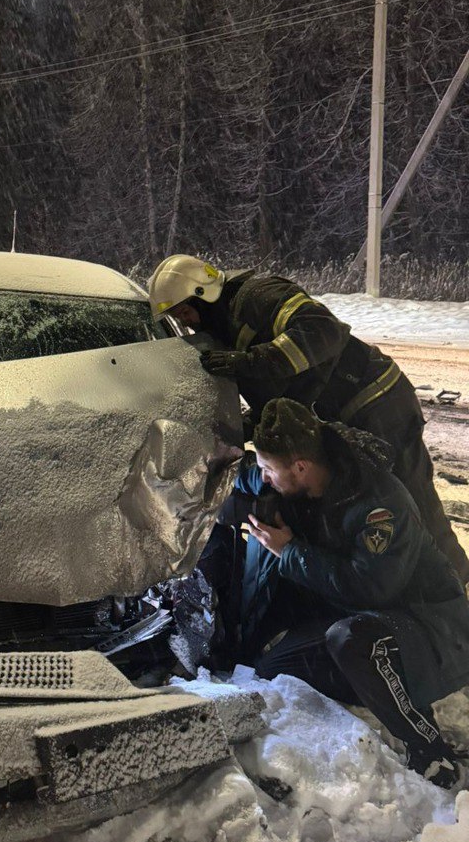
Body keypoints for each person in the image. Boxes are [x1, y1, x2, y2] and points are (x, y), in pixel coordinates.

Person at [147, 254, 469, 585]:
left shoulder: (257, 297)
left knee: (409, 495)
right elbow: (288, 393)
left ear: (204, 294)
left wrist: (250, 362)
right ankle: (404, 584)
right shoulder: (226, 329)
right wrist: (240, 428)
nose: (189, 324)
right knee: (362, 502)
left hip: (376, 401)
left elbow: (324, 331)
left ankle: (452, 587)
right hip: (340, 414)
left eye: (185, 312)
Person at [209, 397, 469, 789]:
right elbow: (249, 475)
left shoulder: (378, 505)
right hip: (353, 614)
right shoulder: (301, 477)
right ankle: (378, 685)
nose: (263, 478)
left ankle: (431, 750)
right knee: (270, 670)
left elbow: (372, 589)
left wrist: (290, 551)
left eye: (268, 470)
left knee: (352, 642)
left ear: (300, 466)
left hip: (427, 622)